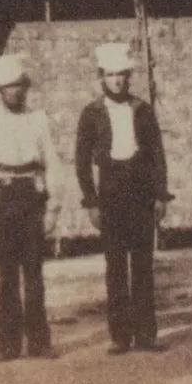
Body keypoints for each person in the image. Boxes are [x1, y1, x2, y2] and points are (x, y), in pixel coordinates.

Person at [0, 53, 64, 361]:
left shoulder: (39, 120)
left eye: (20, 86)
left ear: (26, 86)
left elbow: (52, 164)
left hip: (32, 196)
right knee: (8, 274)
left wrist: (53, 208)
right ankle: (8, 344)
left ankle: (39, 342)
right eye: (9, 87)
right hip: (3, 199)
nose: (16, 92)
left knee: (34, 272)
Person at [75, 42, 171, 354]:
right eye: (111, 75)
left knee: (142, 265)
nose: (117, 80)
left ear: (129, 77)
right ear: (101, 77)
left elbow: (157, 155)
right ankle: (120, 337)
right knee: (115, 266)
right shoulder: (91, 114)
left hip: (140, 192)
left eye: (122, 75)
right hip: (111, 194)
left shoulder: (142, 110)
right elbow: (81, 161)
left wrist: (159, 196)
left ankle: (146, 335)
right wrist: (91, 201)